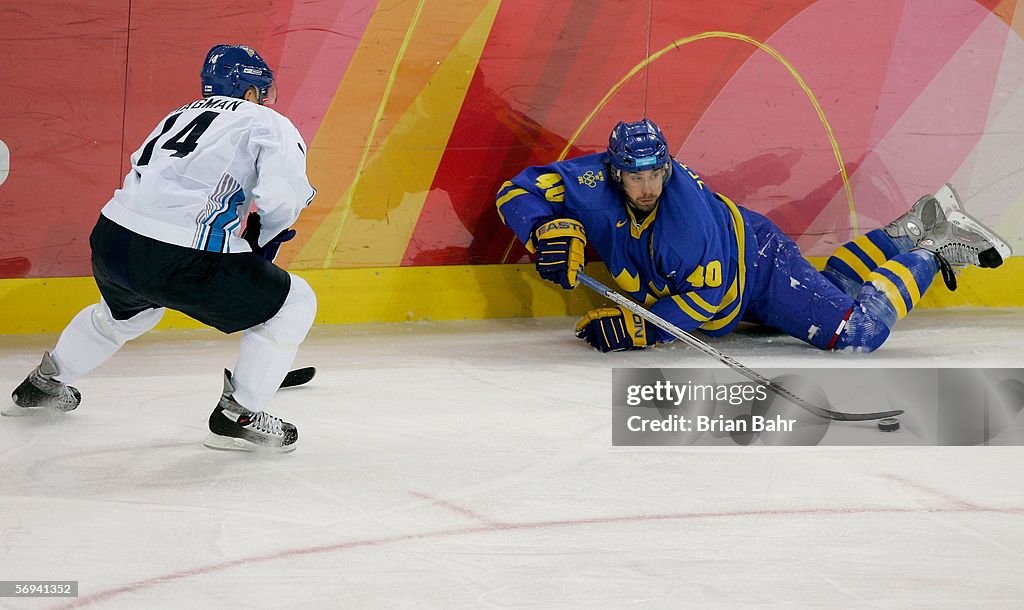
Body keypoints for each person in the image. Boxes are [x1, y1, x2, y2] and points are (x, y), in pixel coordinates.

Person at [6, 44, 317, 453]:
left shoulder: (178, 114)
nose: (265, 99)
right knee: (293, 303)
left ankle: (43, 385)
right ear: (250, 90)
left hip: (113, 236)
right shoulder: (267, 122)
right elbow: (282, 198)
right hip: (181, 251)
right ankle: (239, 415)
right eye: (262, 90)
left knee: (122, 315)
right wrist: (265, 237)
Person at [496, 118, 1012, 353]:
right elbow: (513, 193)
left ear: (667, 166)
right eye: (637, 176)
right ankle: (910, 228)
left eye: (657, 173)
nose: (649, 187)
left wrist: (645, 329)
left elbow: (716, 306)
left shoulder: (685, 223)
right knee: (830, 285)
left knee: (856, 333)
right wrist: (545, 227)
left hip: (758, 269)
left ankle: (934, 245)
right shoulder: (588, 182)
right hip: (744, 253)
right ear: (615, 171)